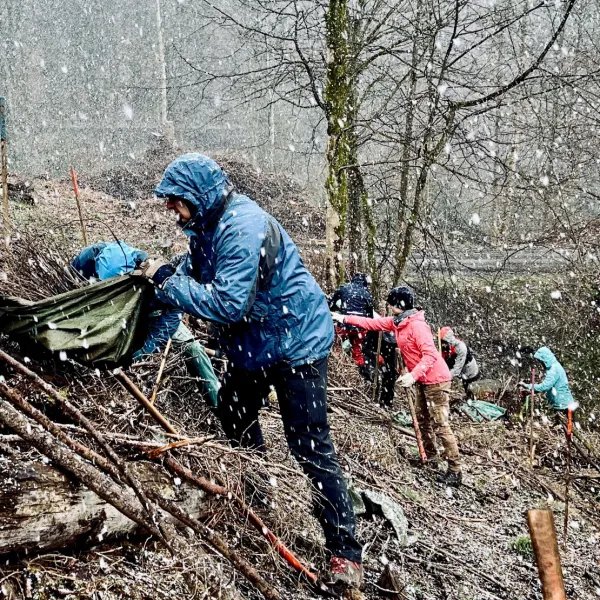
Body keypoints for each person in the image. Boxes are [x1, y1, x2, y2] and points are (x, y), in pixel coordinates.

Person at [142, 153, 362, 588]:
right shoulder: (205, 225)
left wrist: (168, 281)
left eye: (175, 202)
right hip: (257, 343)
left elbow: (227, 302)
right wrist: (160, 281)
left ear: (198, 196)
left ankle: (344, 553)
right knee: (234, 412)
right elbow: (198, 272)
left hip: (298, 343)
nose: (171, 210)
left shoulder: (242, 228)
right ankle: (259, 496)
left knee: (309, 445)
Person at [333, 286, 463, 486]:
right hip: (422, 380)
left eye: (390, 303)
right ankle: (431, 457)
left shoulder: (418, 326)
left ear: (398, 304)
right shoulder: (398, 323)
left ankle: (455, 469)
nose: (388, 306)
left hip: (437, 381)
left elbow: (430, 355)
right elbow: (372, 323)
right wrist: (344, 318)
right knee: (422, 419)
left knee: (440, 424)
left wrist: (412, 375)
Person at [71, 241, 219, 406]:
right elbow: (71, 281)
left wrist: (141, 353)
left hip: (153, 313)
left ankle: (219, 404)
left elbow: (167, 323)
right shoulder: (90, 257)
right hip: (112, 310)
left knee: (193, 349)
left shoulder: (158, 278)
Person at [329, 273, 374, 374]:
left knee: (337, 347)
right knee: (357, 349)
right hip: (360, 327)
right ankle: (359, 372)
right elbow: (370, 316)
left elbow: (332, 301)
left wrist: (332, 310)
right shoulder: (367, 293)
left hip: (344, 324)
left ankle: (338, 369)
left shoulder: (344, 288)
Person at [519, 347, 574, 412]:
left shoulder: (554, 369)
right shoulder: (554, 366)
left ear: (545, 360)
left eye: (541, 361)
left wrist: (528, 386)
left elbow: (545, 386)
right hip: (562, 404)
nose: (541, 364)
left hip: (563, 406)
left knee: (565, 422)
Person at [439, 327, 480, 396]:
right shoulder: (444, 349)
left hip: (470, 374)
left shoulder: (461, 348)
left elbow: (457, 370)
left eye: (444, 343)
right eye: (441, 343)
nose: (443, 345)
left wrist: (443, 378)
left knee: (469, 393)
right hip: (459, 374)